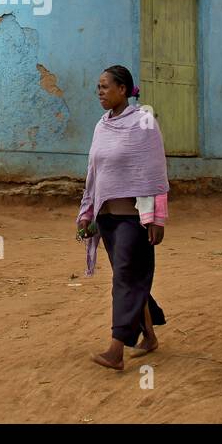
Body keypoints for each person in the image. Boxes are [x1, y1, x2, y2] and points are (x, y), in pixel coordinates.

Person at [76, 65, 168, 371]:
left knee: (126, 279)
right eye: (97, 88)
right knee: (130, 278)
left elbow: (156, 170)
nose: (100, 92)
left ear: (123, 89)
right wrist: (86, 212)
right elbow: (93, 172)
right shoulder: (101, 125)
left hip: (134, 218)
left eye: (105, 86)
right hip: (107, 219)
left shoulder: (143, 121)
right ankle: (150, 337)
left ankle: (116, 349)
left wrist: (158, 217)